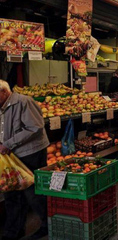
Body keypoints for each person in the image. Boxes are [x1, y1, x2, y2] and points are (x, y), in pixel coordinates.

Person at [0, 80, 50, 240]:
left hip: (31, 153)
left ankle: (47, 225)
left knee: (34, 193)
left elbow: (35, 127)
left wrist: (8, 143)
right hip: (10, 157)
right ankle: (13, 231)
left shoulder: (24, 102)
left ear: (4, 92)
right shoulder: (1, 107)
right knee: (11, 192)